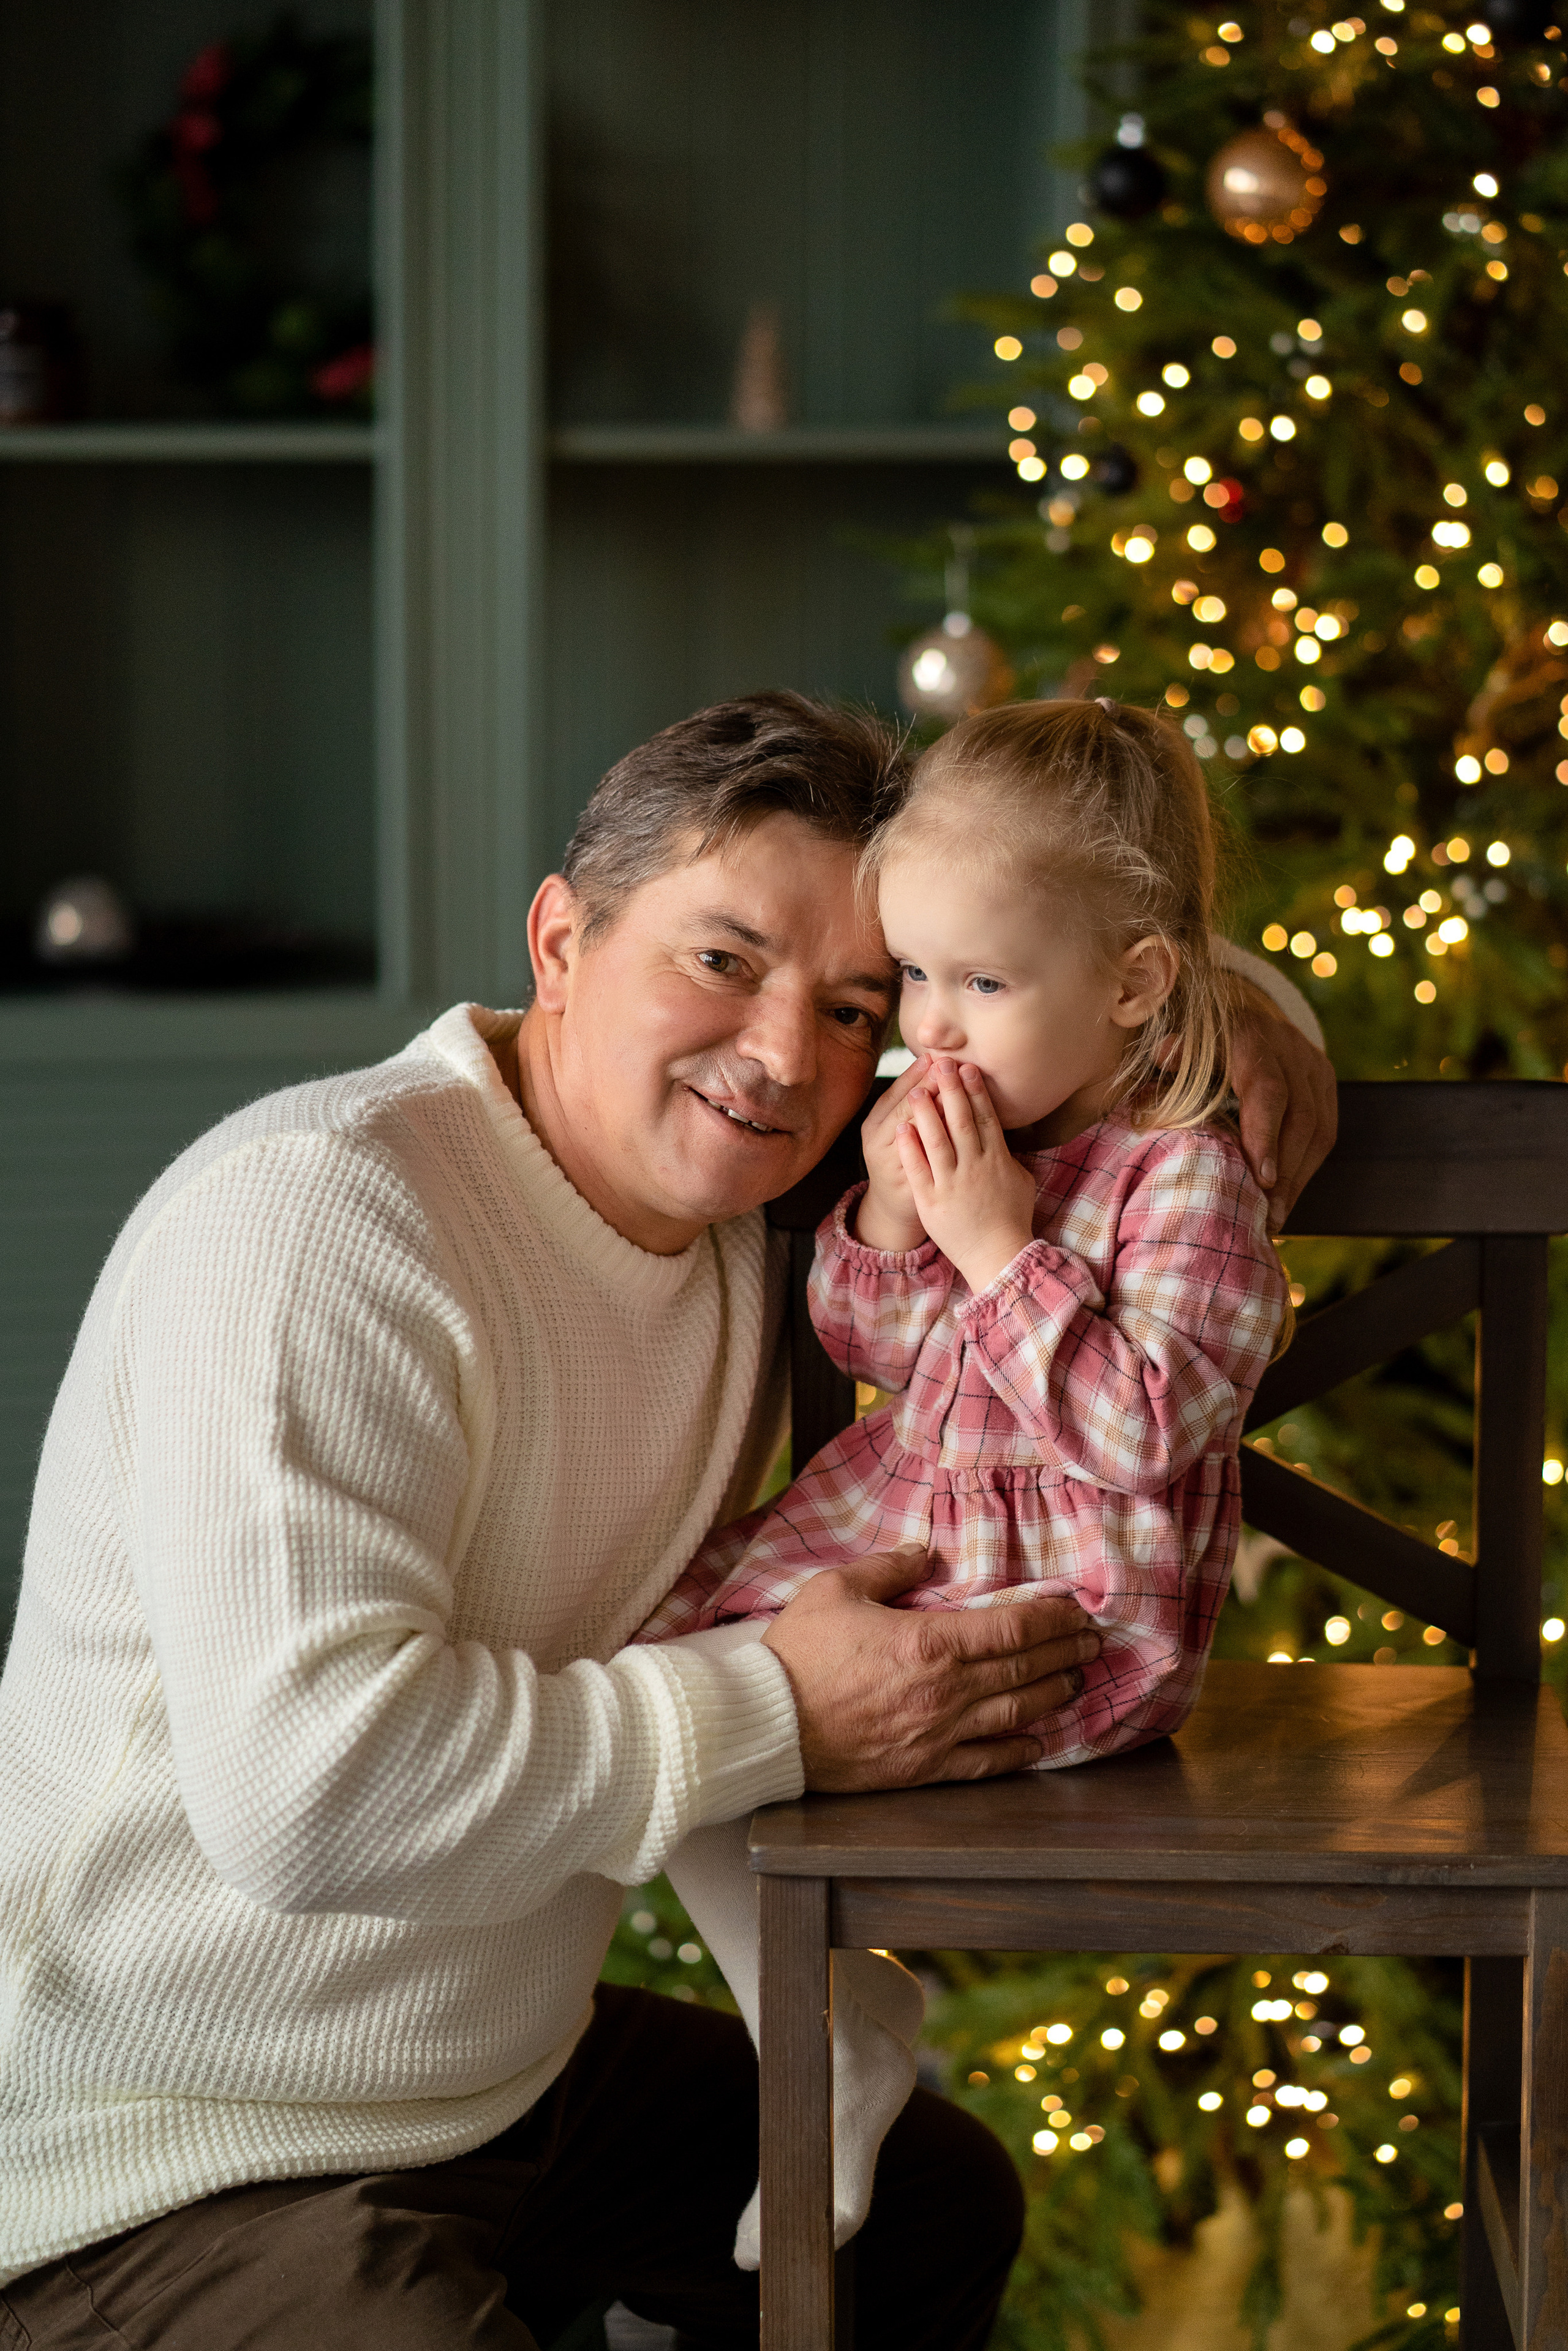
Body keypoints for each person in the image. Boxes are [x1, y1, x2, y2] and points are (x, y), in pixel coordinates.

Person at [0, 693, 1334, 2350]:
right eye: (719, 960)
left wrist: (1237, 1009)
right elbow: (310, 1793)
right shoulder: (320, 1223)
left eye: (862, 1002)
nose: (788, 1050)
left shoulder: (757, 1197)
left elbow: (1045, 908)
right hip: (149, 2146)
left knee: (930, 2209)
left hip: (491, 2071)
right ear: (562, 937)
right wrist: (780, 1708)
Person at [638, 698, 1292, 2266]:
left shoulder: (1183, 1174)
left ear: (1131, 984)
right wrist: (885, 1215)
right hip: (923, 1530)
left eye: (980, 982)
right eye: (913, 976)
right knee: (661, 1692)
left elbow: (1142, 1429)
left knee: (733, 1727)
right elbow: (874, 1342)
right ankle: (832, 2018)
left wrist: (1002, 1237)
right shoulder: (962, 1123)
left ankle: (838, 2035)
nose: (927, 1028)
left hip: (1066, 1613)